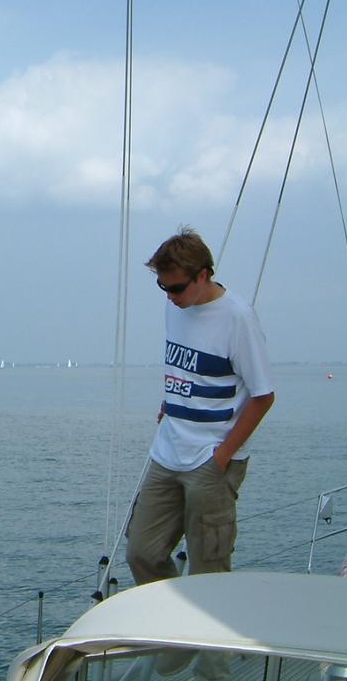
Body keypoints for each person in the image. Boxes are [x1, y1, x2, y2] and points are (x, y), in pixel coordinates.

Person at [127, 226, 275, 585]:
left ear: (203, 274)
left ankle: (206, 640)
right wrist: (172, 400)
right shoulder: (176, 310)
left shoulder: (237, 318)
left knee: (209, 566)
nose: (170, 296)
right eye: (163, 287)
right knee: (142, 552)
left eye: (176, 287)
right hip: (168, 451)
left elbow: (263, 395)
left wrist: (222, 456)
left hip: (210, 459)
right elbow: (187, 366)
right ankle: (173, 627)